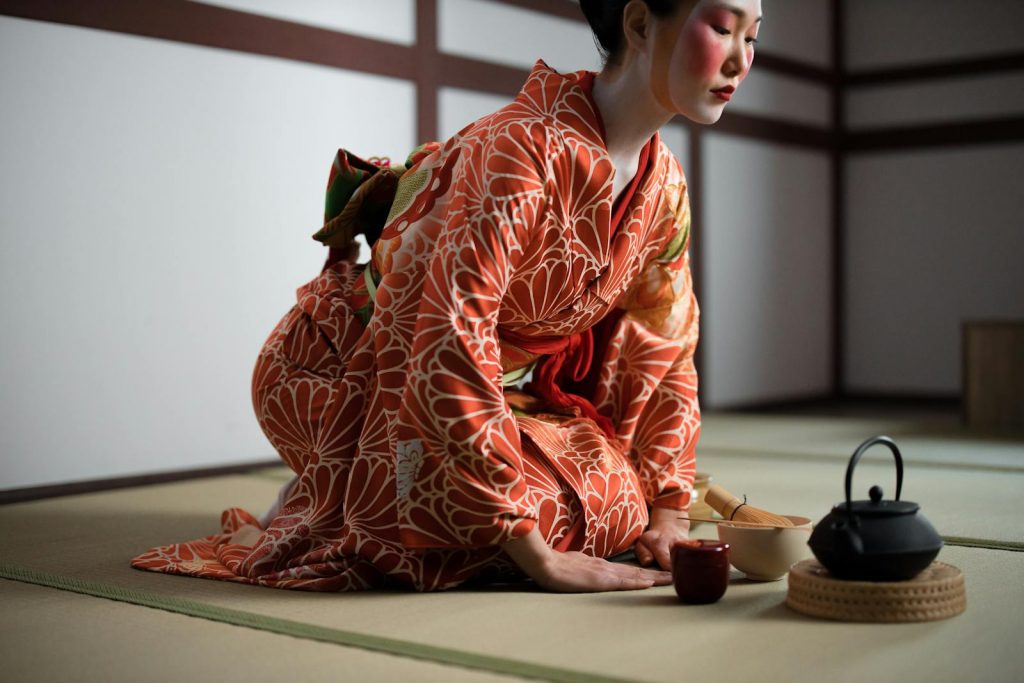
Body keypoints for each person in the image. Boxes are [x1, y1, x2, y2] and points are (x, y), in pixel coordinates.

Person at [131, 0, 761, 593]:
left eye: (753, 36)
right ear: (641, 24)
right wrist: (535, 555)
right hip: (354, 367)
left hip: (485, 389)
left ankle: (341, 490)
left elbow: (666, 344)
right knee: (536, 516)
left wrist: (671, 510)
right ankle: (338, 489)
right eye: (723, 27)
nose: (740, 59)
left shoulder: (665, 184)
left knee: (622, 502)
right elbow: (448, 337)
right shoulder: (518, 149)